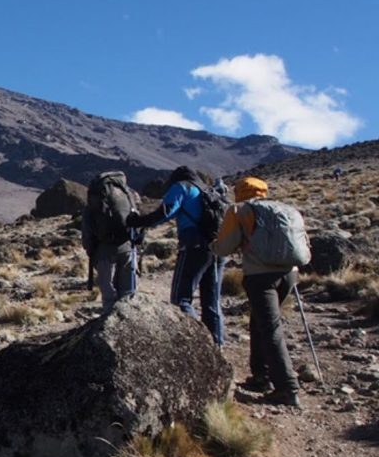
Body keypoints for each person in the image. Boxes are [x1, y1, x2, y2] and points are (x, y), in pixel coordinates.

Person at [211, 177, 302, 407]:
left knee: (270, 327)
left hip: (260, 276)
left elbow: (225, 246)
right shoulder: (282, 208)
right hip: (290, 273)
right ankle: (260, 375)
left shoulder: (239, 210)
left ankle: (286, 387)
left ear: (240, 191)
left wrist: (212, 246)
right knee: (259, 321)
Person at [126, 166, 223, 345]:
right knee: (211, 300)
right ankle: (217, 344)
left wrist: (138, 221)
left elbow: (166, 211)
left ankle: (196, 344)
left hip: (193, 245)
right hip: (218, 247)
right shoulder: (207, 190)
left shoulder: (182, 187)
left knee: (181, 298)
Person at [82, 171, 139, 313]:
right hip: (128, 246)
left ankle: (110, 327)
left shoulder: (95, 199)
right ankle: (129, 326)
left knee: (109, 296)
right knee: (128, 293)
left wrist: (91, 252)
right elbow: (138, 219)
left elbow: (87, 233)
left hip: (105, 250)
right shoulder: (127, 194)